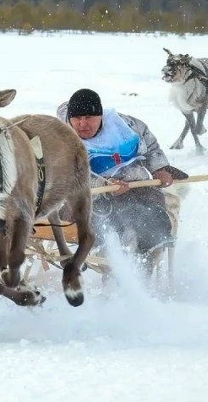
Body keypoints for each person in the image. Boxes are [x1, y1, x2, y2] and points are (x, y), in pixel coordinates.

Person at [56, 88, 184, 273]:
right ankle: (110, 268)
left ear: (100, 115)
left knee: (149, 213)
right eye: (77, 118)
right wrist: (105, 185)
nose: (82, 124)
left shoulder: (125, 126)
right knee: (106, 225)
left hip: (135, 185)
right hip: (88, 197)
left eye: (89, 117)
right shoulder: (60, 138)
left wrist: (160, 168)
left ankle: (147, 256)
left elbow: (150, 145)